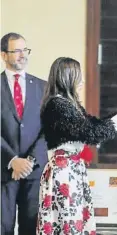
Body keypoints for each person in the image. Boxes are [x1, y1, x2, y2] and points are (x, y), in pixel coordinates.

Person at [36, 57, 117, 234]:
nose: (83, 81)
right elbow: (91, 134)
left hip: (71, 170)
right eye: (79, 77)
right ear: (68, 78)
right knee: (68, 225)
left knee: (73, 223)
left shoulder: (67, 104)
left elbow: (94, 126)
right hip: (64, 173)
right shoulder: (58, 105)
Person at [1, 33, 48, 235]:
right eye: (16, 50)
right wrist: (12, 160)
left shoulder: (43, 87)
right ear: (3, 55)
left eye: (25, 50)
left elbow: (48, 129)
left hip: (34, 171)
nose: (23, 55)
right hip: (4, 172)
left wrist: (29, 161)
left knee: (31, 228)